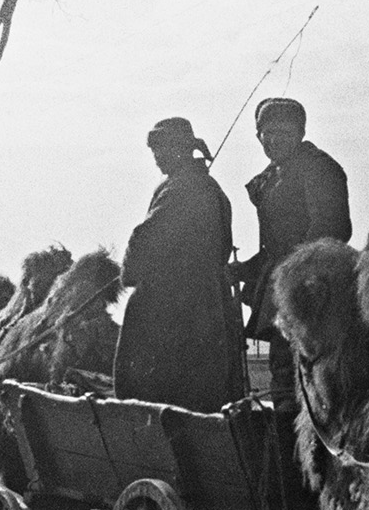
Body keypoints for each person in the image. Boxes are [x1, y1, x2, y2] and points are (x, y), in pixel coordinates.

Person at [114, 117, 246, 411]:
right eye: (155, 151)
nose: (158, 158)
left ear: (182, 149)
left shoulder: (182, 189)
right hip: (209, 306)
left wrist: (130, 275)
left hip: (176, 312)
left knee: (161, 396)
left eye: (164, 150)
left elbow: (144, 239)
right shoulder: (207, 187)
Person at [235, 97, 350, 403]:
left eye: (283, 133)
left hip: (313, 296)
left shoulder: (318, 167)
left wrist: (295, 275)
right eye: (266, 133)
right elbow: (274, 248)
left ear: (300, 133)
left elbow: (331, 228)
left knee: (310, 384)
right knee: (284, 378)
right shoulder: (274, 175)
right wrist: (244, 269)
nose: (273, 140)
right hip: (282, 292)